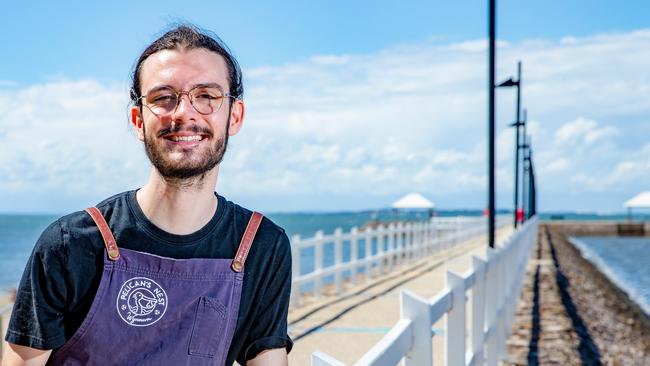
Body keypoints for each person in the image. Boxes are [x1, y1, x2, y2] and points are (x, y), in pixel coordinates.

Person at [3, 24, 292, 366]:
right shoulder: (70, 244)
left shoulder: (262, 246)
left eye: (207, 96)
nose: (184, 112)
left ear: (235, 116)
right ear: (139, 120)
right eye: (163, 97)